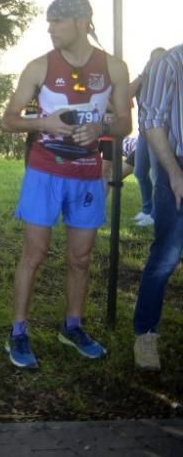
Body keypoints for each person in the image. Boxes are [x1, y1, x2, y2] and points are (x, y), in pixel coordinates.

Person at [0, 0, 130, 369]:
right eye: (49, 21)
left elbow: (125, 123)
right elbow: (9, 119)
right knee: (34, 254)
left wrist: (100, 126)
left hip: (87, 174)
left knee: (81, 258)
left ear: (82, 21)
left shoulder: (114, 68)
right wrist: (44, 122)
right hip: (44, 171)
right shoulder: (39, 66)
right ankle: (19, 331)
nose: (50, 28)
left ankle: (72, 326)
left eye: (56, 21)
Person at [133, 44, 183, 371]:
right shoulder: (171, 61)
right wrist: (174, 173)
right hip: (176, 166)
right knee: (166, 255)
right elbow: (151, 118)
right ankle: (146, 335)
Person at [130, 48, 167, 227]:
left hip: (160, 135)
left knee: (158, 176)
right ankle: (147, 209)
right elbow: (126, 94)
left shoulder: (169, 81)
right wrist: (142, 75)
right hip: (144, 134)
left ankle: (155, 214)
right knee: (139, 171)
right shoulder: (143, 81)